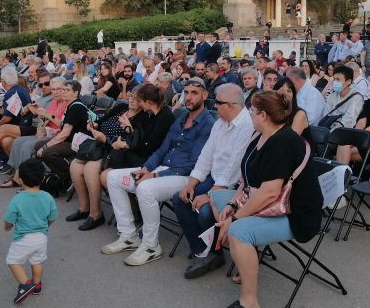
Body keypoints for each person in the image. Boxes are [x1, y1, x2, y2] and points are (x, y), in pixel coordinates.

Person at [210, 90, 323, 308]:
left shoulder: (284, 142)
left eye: (252, 111)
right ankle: (247, 259)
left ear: (263, 115)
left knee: (237, 230)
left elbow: (270, 193)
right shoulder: (260, 135)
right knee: (217, 197)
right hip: (265, 202)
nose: (249, 114)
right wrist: (232, 205)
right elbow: (245, 182)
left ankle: (249, 301)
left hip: (295, 213)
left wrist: (235, 219)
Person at [102, 80, 215, 266]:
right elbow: (161, 151)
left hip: (184, 177)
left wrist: (155, 175)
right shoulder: (180, 120)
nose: (189, 96)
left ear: (204, 96)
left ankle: (150, 246)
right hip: (161, 170)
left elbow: (195, 164)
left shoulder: (208, 124)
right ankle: (129, 235)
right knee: (113, 177)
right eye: (186, 92)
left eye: (194, 92)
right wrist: (147, 168)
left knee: (145, 189)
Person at [172, 84, 254, 279]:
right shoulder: (220, 122)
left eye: (217, 102)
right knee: (181, 198)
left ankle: (214, 253)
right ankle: (204, 250)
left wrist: (209, 196)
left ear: (231, 105)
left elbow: (234, 168)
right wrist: (192, 182)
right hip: (216, 179)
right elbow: (206, 155)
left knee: (205, 211)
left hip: (234, 186)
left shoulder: (247, 125)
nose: (214, 106)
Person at [67, 87, 150, 230]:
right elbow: (101, 120)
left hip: (117, 153)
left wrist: (106, 139)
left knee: (90, 168)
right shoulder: (122, 107)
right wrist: (94, 125)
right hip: (100, 147)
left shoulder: (143, 118)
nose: (131, 99)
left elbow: (130, 145)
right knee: (75, 165)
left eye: (136, 98)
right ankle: (84, 209)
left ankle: (96, 215)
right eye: (131, 96)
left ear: (144, 101)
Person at [4, 159, 58, 305]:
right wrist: (46, 225)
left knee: (13, 261)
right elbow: (52, 216)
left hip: (23, 238)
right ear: (42, 178)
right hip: (41, 237)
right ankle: (37, 285)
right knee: (37, 260)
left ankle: (25, 284)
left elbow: (9, 217)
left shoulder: (18, 199)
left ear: (20, 180)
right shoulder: (48, 197)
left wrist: (7, 226)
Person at [33, 80, 90, 180]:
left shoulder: (76, 107)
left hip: (79, 144)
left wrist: (46, 146)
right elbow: (64, 125)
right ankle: (43, 177)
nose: (63, 92)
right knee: (38, 145)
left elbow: (65, 134)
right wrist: (48, 115)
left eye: (67, 90)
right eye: (63, 89)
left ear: (76, 93)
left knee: (47, 152)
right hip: (70, 139)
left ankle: (68, 177)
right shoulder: (70, 105)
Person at [324, 65, 365, 129]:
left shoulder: (356, 98)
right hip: (328, 130)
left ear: (348, 81)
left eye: (338, 79)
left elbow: (348, 121)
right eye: (334, 79)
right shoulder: (331, 96)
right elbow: (326, 116)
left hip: (345, 132)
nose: (335, 82)